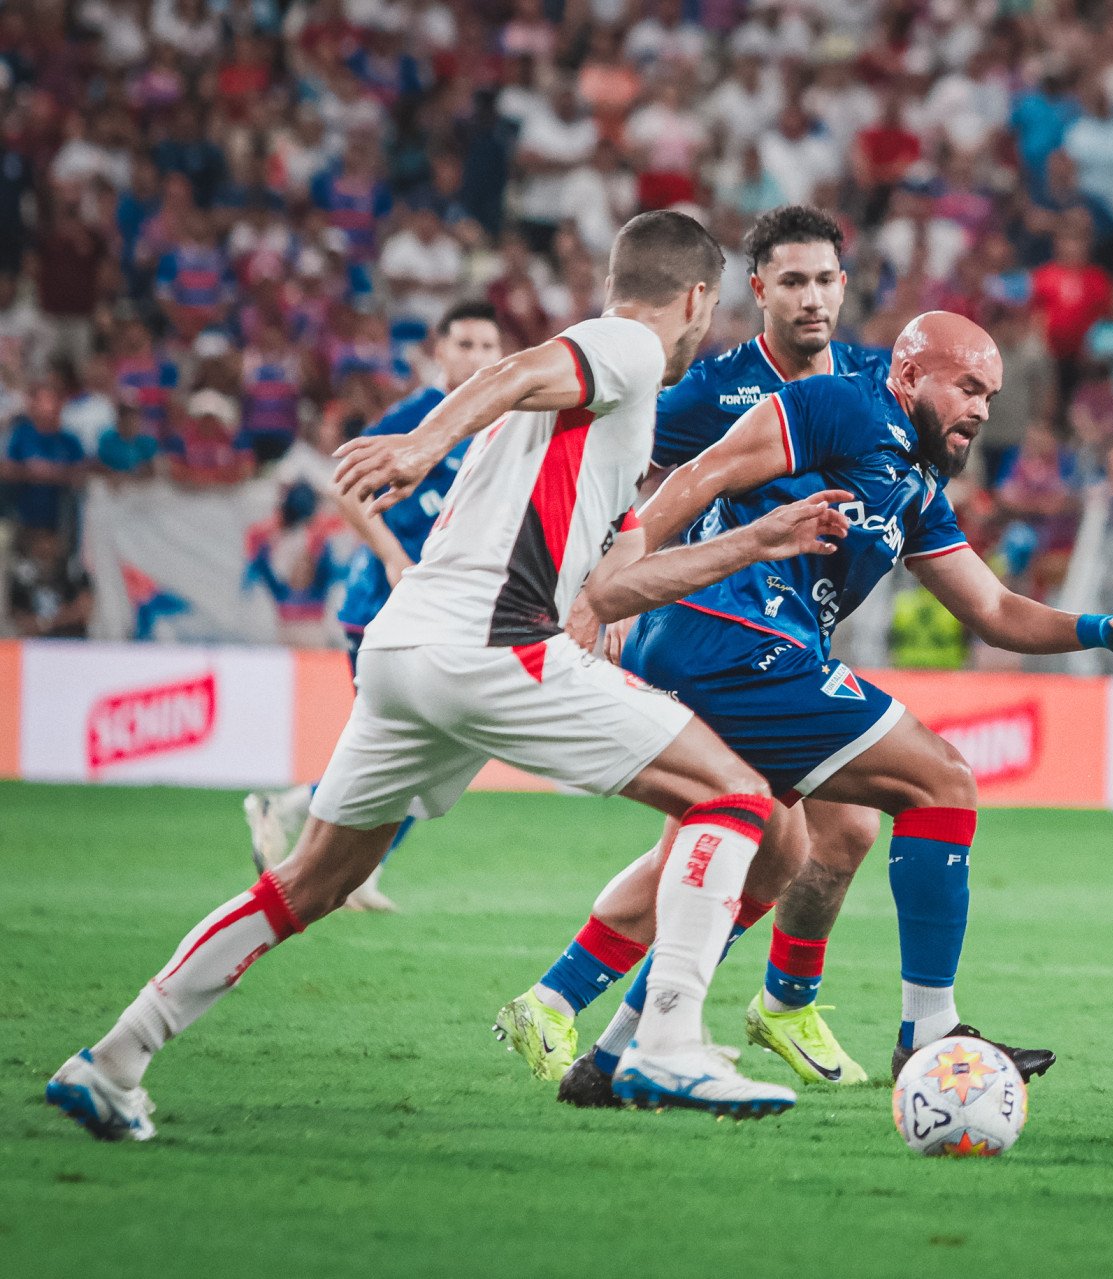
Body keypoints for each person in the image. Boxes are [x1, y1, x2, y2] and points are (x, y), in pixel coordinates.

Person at [45, 211, 855, 1141]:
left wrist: (753, 541)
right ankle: (666, 1039)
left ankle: (113, 1060)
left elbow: (619, 580)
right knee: (738, 801)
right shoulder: (628, 343)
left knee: (305, 883)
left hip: (405, 653)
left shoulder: (615, 426)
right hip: (493, 644)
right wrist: (420, 443)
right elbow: (513, 370)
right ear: (699, 300)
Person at [513, 310, 1113, 1112]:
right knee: (942, 782)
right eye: (966, 386)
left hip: (742, 651)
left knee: (768, 846)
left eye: (991, 396)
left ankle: (612, 1057)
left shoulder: (916, 487)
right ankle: (927, 1030)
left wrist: (1105, 630)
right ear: (909, 374)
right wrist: (608, 587)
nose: (981, 409)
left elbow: (992, 609)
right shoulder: (843, 406)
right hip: (730, 638)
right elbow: (703, 473)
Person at [493, 206, 915, 1088]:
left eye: (826, 280)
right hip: (711, 635)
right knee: (756, 824)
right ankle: (628, 1017)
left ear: (845, 285)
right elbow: (616, 463)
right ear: (755, 291)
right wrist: (592, 584)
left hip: (794, 641)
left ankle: (640, 1015)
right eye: (791, 281)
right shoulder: (710, 390)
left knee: (809, 835)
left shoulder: (870, 388)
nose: (811, 298)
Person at [241, 300, 506, 913]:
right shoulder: (415, 417)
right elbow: (347, 487)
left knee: (423, 748)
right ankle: (310, 835)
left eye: (489, 347)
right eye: (464, 345)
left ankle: (320, 834)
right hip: (383, 609)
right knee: (403, 746)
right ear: (438, 351)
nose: (477, 358)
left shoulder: (500, 418)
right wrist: (393, 557)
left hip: (448, 612)